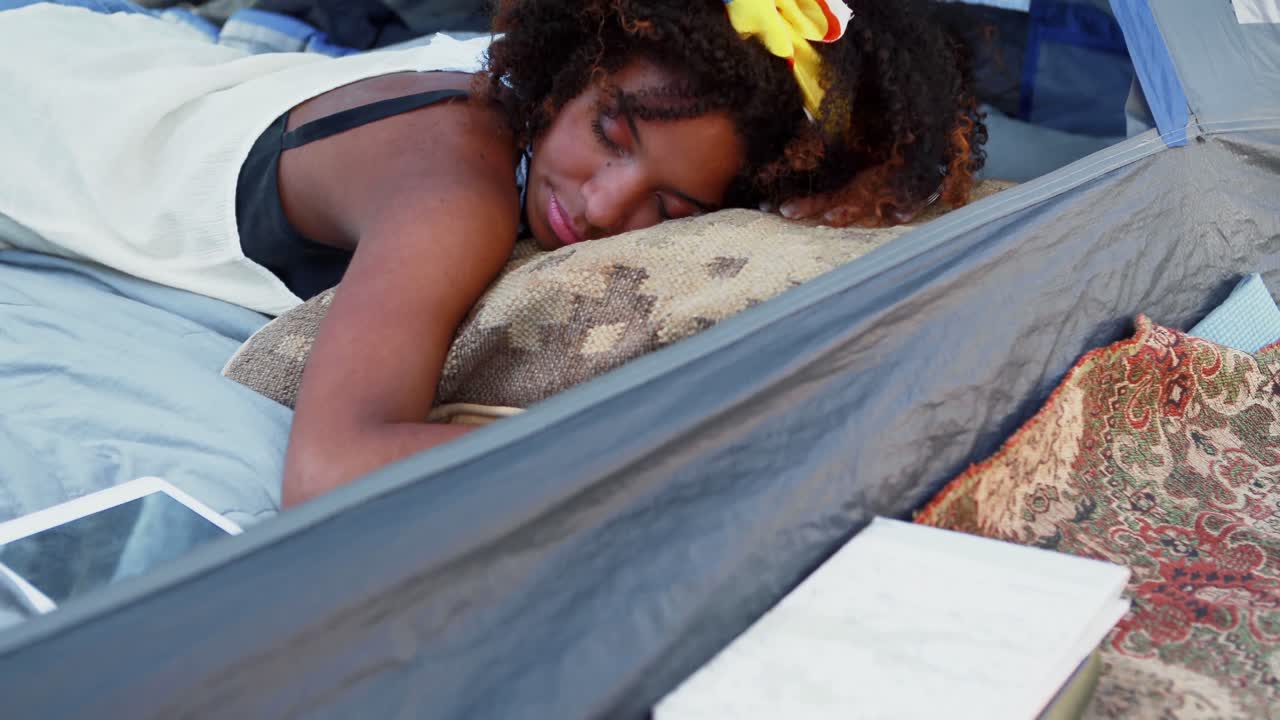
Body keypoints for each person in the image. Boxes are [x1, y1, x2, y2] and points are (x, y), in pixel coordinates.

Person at [0, 0, 986, 506]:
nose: (602, 208)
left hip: (127, 68)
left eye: (672, 203)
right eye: (609, 134)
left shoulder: (521, 111)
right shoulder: (453, 193)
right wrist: (672, 452)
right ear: (566, 75)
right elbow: (334, 467)